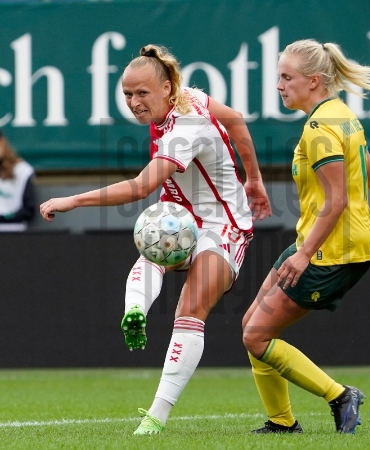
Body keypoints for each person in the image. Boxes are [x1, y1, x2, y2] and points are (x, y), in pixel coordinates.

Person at [40, 44, 271, 435]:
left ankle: (156, 415)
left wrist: (74, 200)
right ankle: (135, 311)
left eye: (142, 93)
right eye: (128, 94)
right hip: (181, 217)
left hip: (223, 225)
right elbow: (234, 119)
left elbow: (140, 186)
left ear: (167, 88)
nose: (134, 102)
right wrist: (255, 178)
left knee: (189, 310)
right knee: (153, 245)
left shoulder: (186, 128)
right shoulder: (188, 96)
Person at [242, 39, 370, 435]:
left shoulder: (321, 128)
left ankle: (340, 396)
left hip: (330, 252)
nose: (279, 85)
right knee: (252, 324)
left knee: (257, 336)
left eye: (287, 77)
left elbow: (337, 200)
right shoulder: (343, 116)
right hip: (322, 243)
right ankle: (282, 422)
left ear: (314, 81)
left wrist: (304, 253)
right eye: (278, 77)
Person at [0, 128, 36, 232]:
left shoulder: (22, 171)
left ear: (2, 142)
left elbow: (29, 210)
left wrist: (5, 217)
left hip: (15, 234)